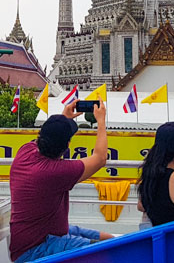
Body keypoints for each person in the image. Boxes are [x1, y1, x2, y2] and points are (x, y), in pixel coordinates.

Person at [8, 100, 114, 262]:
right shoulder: (54, 172)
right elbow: (100, 158)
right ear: (67, 146)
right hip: (37, 249)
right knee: (107, 252)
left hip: (39, 237)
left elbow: (47, 136)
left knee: (109, 239)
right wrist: (101, 121)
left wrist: (64, 118)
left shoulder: (25, 152)